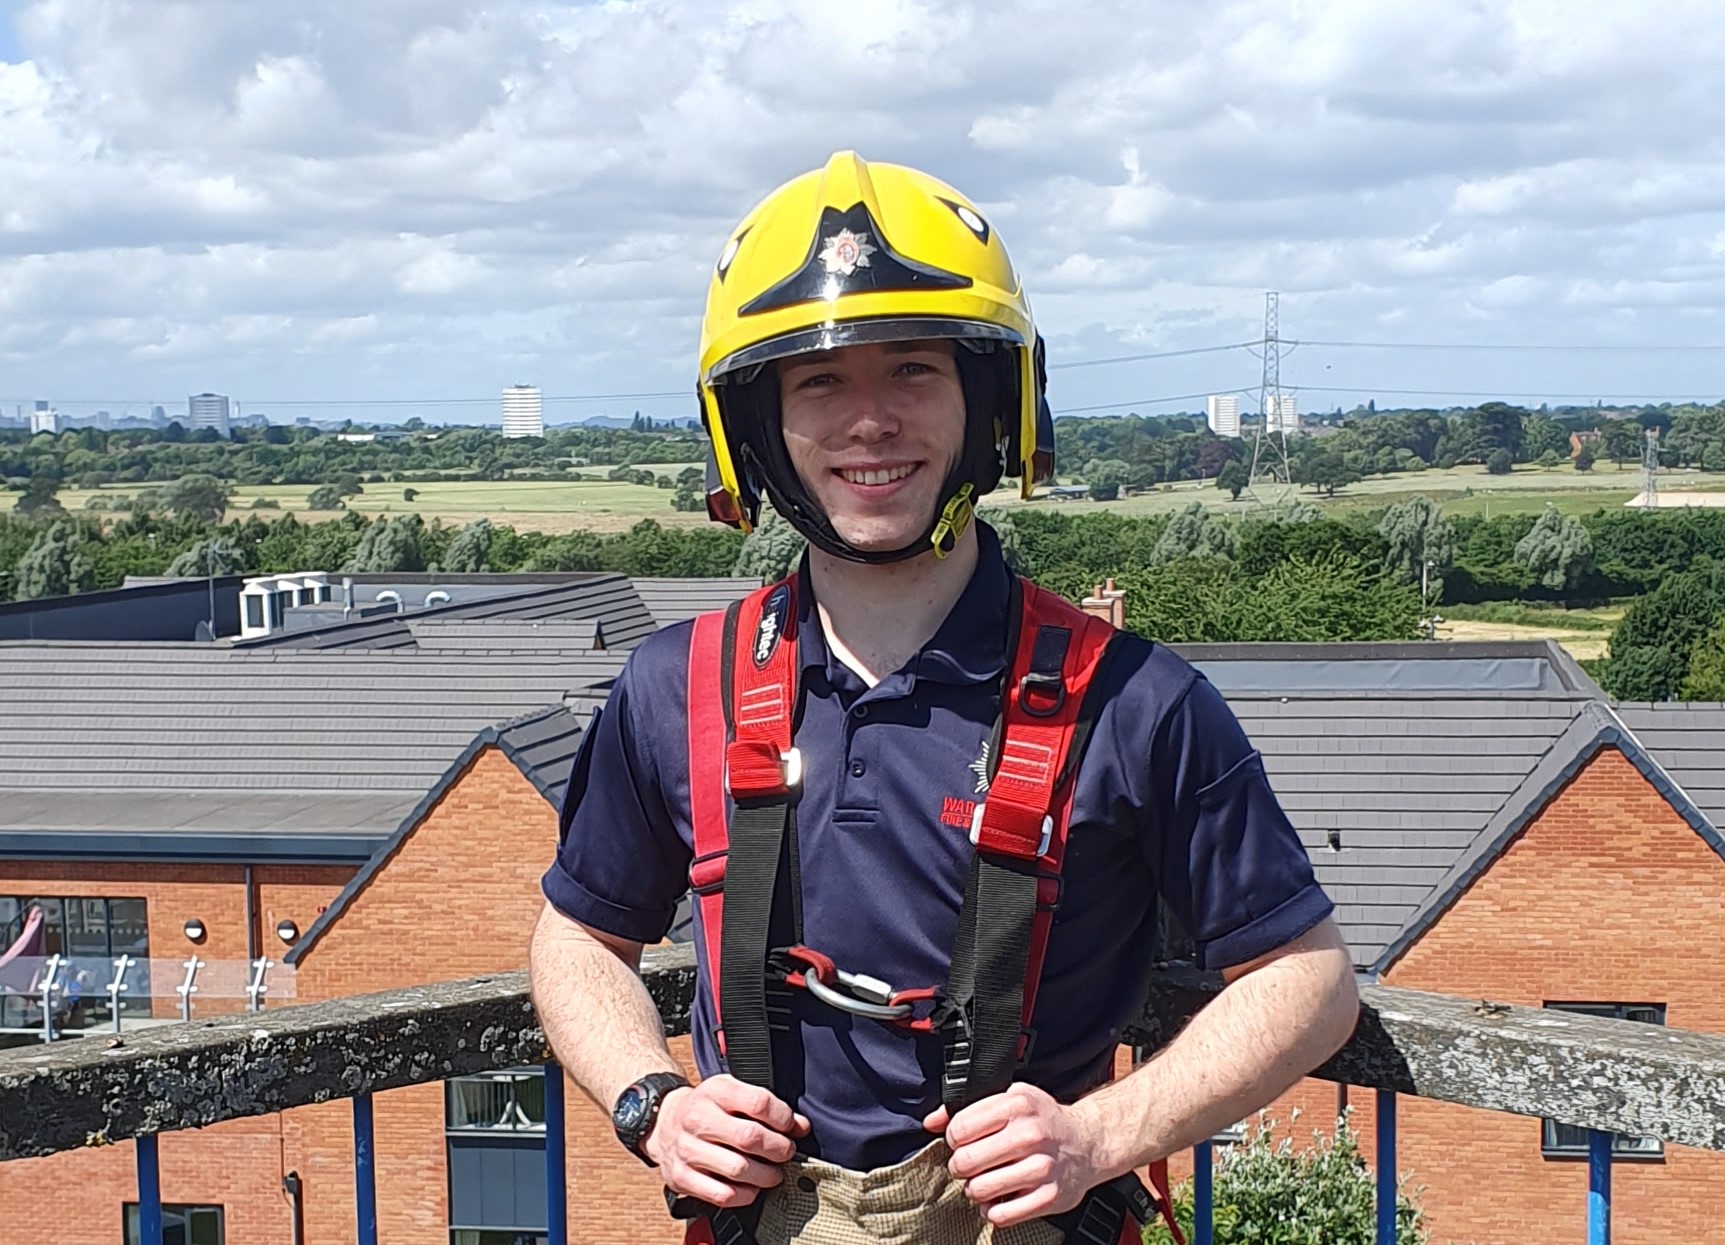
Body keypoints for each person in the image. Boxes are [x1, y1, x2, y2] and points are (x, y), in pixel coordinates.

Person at [530, 152, 1360, 1245]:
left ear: (987, 403)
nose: (869, 422)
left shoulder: (1136, 704)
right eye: (819, 381)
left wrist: (1097, 1139)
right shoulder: (675, 687)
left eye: (913, 372)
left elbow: (1307, 984)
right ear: (760, 427)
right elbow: (579, 937)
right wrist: (654, 1102)